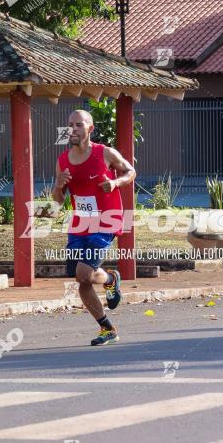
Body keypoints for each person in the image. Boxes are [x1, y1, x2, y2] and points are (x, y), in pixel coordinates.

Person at [52, 109, 136, 346]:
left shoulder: (104, 153)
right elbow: (58, 200)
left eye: (79, 124)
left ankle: (110, 278)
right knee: (81, 279)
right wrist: (58, 186)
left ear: (90, 128)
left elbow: (130, 171)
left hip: (106, 220)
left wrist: (115, 182)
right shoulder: (63, 161)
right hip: (80, 223)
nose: (73, 129)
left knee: (83, 272)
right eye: (70, 125)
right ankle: (106, 328)